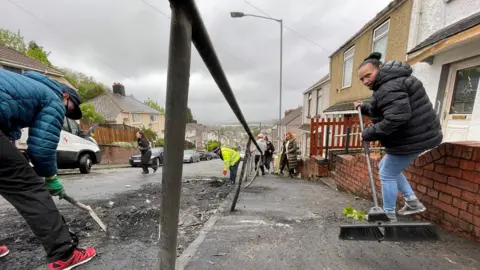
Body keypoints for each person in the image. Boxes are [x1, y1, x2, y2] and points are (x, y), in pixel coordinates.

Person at [0, 70, 96, 269]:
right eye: (70, 108)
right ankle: (64, 254)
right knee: (28, 187)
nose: (67, 113)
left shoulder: (26, 86)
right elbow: (42, 149)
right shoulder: (52, 98)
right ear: (65, 96)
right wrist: (51, 178)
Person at [354, 52, 443, 222]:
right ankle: (412, 201)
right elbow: (389, 107)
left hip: (413, 138)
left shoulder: (389, 86)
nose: (365, 81)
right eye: (362, 79)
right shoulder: (391, 82)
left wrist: (368, 133)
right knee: (385, 166)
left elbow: (396, 118)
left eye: (368, 75)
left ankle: (388, 214)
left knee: (387, 173)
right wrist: (365, 108)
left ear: (379, 68)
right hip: (417, 135)